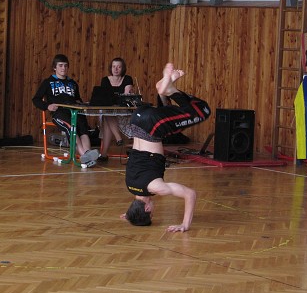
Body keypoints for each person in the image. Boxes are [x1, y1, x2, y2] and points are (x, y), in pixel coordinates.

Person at [120, 63, 211, 232]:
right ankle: (168, 90)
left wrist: (184, 224)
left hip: (152, 127)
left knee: (203, 111)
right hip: (137, 120)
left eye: (151, 213)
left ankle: (167, 90)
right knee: (176, 114)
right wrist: (130, 215)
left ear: (147, 209)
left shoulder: (156, 187)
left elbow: (190, 194)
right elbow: (137, 202)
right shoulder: (131, 185)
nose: (153, 211)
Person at [32, 54, 99, 165]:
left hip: (74, 111)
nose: (63, 68)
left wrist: (81, 103)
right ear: (55, 67)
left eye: (66, 66)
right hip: (59, 113)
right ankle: (85, 156)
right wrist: (47, 106)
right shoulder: (48, 82)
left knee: (83, 128)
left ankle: (87, 153)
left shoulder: (73, 83)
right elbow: (36, 99)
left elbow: (77, 98)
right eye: (61, 65)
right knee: (71, 128)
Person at [98, 57, 134, 161]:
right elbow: (104, 98)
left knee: (106, 116)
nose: (116, 69)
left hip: (123, 111)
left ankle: (104, 154)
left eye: (119, 67)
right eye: (114, 66)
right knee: (107, 113)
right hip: (109, 109)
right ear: (111, 68)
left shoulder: (127, 79)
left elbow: (126, 95)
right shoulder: (105, 80)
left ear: (123, 68)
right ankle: (118, 138)